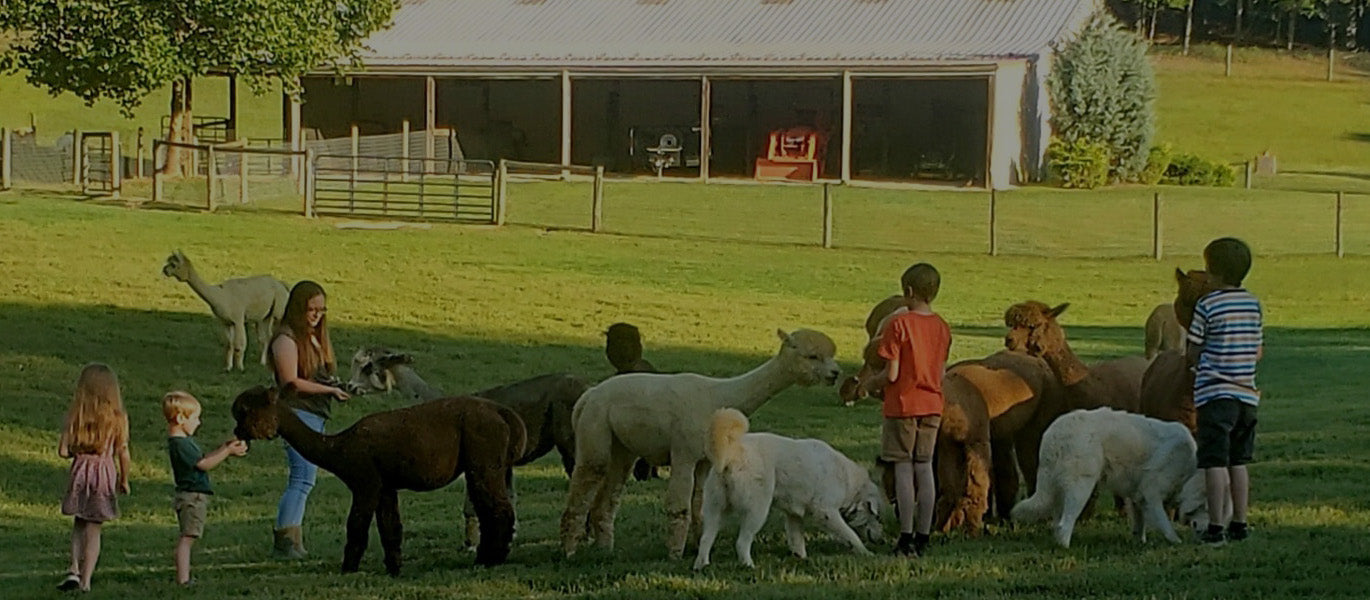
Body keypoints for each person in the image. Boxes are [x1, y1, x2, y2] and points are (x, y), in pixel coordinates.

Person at [1187, 237, 1263, 546]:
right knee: (1239, 461)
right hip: (1247, 396)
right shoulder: (1253, 303)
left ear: (1212, 272)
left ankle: (1216, 527)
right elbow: (1257, 351)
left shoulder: (1207, 305)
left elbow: (1191, 351)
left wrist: (1201, 361)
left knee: (1214, 463)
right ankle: (1240, 523)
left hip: (1215, 395)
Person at [267, 280, 351, 558]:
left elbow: (317, 375)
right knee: (302, 478)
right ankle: (286, 541)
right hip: (296, 415)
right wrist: (330, 390)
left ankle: (292, 539)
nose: (316, 315)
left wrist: (338, 385)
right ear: (298, 308)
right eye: (311, 309)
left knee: (305, 479)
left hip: (315, 414)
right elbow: (291, 382)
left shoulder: (314, 337)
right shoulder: (285, 339)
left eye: (321, 310)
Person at [875, 263, 952, 557]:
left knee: (904, 469)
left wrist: (871, 383)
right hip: (932, 405)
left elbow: (891, 374)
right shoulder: (943, 327)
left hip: (902, 406)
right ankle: (923, 536)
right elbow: (941, 373)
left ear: (908, 291)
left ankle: (905, 536)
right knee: (925, 467)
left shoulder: (898, 325)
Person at [56, 363, 131, 592]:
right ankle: (86, 581)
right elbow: (123, 451)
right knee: (94, 528)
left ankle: (73, 570)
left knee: (79, 522)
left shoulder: (75, 416)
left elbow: (62, 451)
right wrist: (124, 479)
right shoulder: (118, 418)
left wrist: (77, 452)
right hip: (103, 474)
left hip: (80, 472)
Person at [163, 391, 248, 585]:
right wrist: (226, 452)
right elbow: (203, 464)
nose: (199, 422)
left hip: (193, 496)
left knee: (189, 536)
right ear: (180, 418)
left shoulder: (183, 442)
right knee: (187, 538)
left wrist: (224, 447)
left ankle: (183, 577)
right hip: (192, 498)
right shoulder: (180, 444)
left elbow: (203, 459)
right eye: (195, 418)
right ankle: (183, 579)